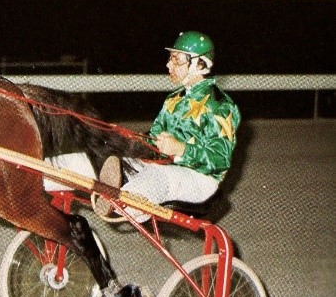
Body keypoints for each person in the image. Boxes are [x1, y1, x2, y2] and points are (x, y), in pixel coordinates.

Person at [43, 31, 240, 220]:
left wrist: (181, 148)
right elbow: (153, 138)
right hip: (161, 165)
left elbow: (219, 159)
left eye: (177, 59)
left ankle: (121, 199)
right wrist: (128, 139)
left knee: (157, 176)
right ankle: (43, 175)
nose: (168, 64)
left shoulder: (220, 105)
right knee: (94, 157)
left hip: (198, 179)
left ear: (200, 64)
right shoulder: (174, 99)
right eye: (171, 58)